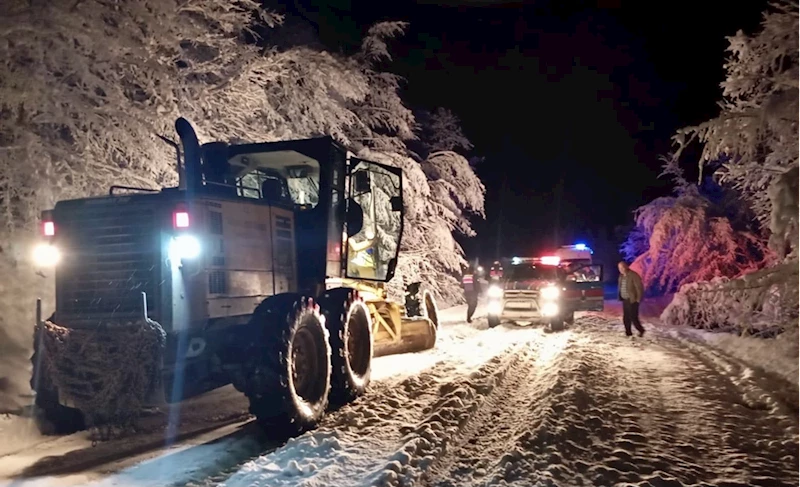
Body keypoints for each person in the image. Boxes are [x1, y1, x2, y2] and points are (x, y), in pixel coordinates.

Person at [617, 261, 645, 337]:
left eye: (622, 267)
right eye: (619, 268)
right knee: (626, 317)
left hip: (633, 300)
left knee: (633, 317)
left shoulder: (633, 275)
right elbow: (621, 287)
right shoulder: (621, 276)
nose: (621, 269)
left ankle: (641, 330)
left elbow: (639, 288)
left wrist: (638, 299)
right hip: (625, 299)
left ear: (626, 267)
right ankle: (628, 332)